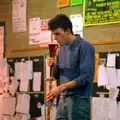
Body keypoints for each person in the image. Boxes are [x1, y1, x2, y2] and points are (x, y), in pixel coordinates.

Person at [46, 14, 95, 120]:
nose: (55, 38)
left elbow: (85, 78)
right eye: (53, 34)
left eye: (57, 34)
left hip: (79, 100)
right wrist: (52, 65)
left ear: (68, 31)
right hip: (63, 100)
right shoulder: (61, 50)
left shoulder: (85, 47)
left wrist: (59, 88)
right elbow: (56, 75)